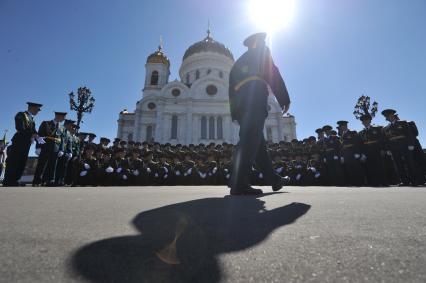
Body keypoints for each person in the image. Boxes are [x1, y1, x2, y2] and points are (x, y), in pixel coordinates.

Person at [228, 32, 291, 195]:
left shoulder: (238, 63)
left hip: (242, 105)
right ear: (258, 43)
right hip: (255, 99)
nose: (264, 44)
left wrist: (234, 112)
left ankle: (274, 180)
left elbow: (231, 88)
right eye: (262, 42)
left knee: (257, 145)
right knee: (249, 142)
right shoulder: (262, 52)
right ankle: (239, 184)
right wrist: (284, 98)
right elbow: (273, 72)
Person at [3, 102, 44, 186]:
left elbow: (34, 130)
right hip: (19, 141)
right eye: (37, 109)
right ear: (31, 108)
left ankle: (15, 180)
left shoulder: (32, 119)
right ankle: (8, 180)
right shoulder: (21, 115)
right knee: (14, 161)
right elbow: (20, 127)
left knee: (22, 162)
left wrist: (38, 137)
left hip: (27, 143)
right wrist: (32, 135)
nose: (38, 112)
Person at [32, 111, 67, 186]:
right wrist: (38, 147)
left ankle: (50, 180)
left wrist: (61, 149)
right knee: (42, 164)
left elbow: (62, 139)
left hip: (56, 148)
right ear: (58, 116)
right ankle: (37, 181)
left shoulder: (62, 127)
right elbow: (40, 135)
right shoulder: (46, 123)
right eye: (63, 117)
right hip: (45, 146)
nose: (64, 119)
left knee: (52, 165)